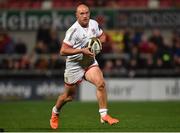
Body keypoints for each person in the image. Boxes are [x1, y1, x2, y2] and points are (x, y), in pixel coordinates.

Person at [50, 3, 119, 129]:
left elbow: (102, 36)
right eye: (81, 13)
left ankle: (104, 115)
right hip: (74, 66)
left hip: (89, 62)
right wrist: (82, 50)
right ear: (76, 15)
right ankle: (55, 112)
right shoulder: (73, 31)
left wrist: (98, 42)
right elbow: (63, 51)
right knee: (68, 97)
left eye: (87, 12)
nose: (85, 15)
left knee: (101, 83)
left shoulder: (93, 23)